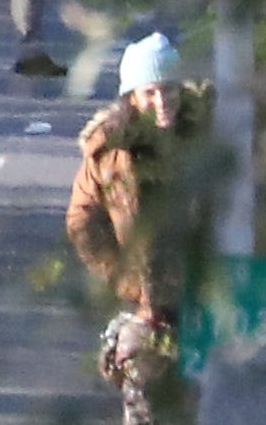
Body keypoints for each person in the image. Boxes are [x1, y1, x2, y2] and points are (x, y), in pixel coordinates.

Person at [67, 33, 212, 425]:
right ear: (132, 97)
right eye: (151, 93)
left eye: (169, 90)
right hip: (150, 299)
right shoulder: (111, 152)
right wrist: (122, 276)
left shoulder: (209, 133)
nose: (162, 102)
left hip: (206, 288)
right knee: (147, 391)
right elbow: (82, 219)